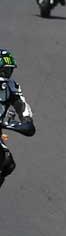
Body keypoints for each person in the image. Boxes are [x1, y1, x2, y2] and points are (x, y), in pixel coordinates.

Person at [0, 50, 35, 190]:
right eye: (4, 71)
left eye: (9, 71)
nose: (7, 75)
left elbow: (21, 104)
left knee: (8, 164)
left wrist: (26, 120)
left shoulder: (10, 86)